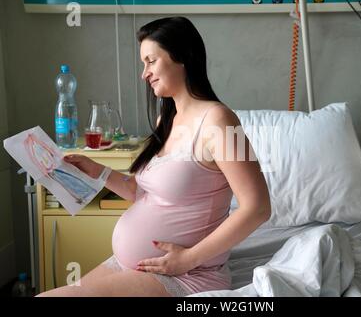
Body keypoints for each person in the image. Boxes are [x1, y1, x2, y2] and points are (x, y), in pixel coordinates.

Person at [37, 16, 271, 297]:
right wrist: (96, 169)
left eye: (151, 61)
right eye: (143, 64)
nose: (144, 73)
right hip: (135, 266)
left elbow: (257, 207)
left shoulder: (221, 120)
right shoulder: (166, 119)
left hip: (187, 275)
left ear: (182, 57)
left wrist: (188, 258)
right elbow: (140, 190)